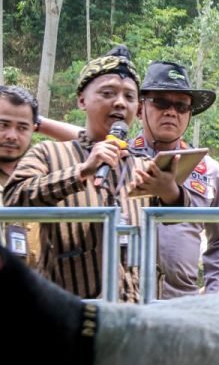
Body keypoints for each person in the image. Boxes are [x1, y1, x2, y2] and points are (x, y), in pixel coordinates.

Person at [3, 45, 187, 301]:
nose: (120, 103)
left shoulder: (143, 165)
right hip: (70, 316)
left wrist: (170, 191)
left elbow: (177, 216)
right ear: (82, 100)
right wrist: (81, 172)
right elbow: (13, 199)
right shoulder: (49, 154)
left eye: (130, 97)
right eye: (108, 93)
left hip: (133, 316)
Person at [129, 61, 219, 298]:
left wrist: (216, 295)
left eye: (181, 106)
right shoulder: (118, 160)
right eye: (160, 102)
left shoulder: (209, 170)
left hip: (183, 302)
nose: (171, 112)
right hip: (125, 301)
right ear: (139, 109)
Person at [0, 86, 42, 264]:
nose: (12, 136)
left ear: (34, 129)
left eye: (22, 128)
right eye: (3, 125)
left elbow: (90, 142)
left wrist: (39, 122)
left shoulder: (43, 175)